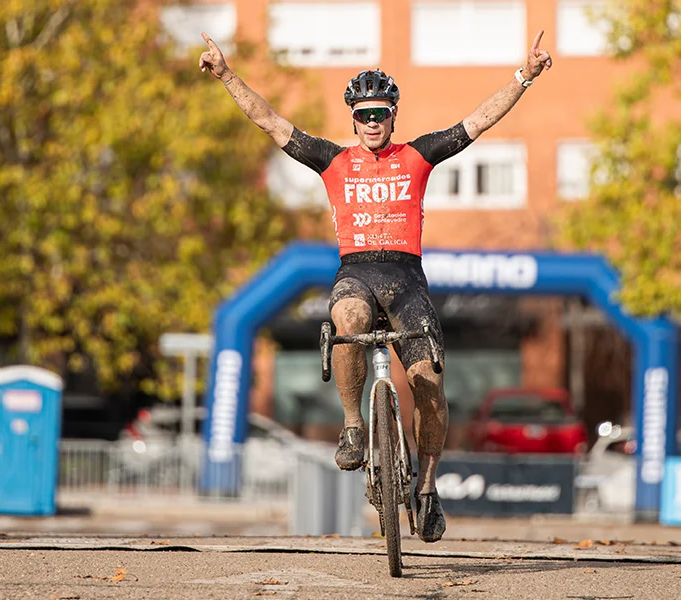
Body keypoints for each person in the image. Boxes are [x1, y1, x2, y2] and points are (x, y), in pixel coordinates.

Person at [199, 31, 552, 542]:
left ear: (392, 116)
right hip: (356, 274)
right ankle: (352, 426)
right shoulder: (333, 160)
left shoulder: (418, 155)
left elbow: (477, 121)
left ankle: (427, 488)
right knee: (347, 320)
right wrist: (227, 75)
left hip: (407, 281)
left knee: (429, 381)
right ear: (353, 118)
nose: (371, 121)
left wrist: (524, 76)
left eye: (379, 113)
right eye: (363, 114)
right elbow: (270, 122)